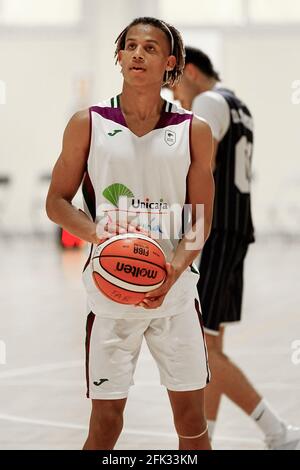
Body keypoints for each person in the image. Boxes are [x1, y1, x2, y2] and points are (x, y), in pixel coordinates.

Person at [46, 19, 215, 450]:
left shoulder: (194, 131)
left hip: (174, 297)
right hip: (110, 293)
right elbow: (57, 203)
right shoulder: (88, 123)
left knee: (192, 421)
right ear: (119, 57)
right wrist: (98, 233)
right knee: (105, 425)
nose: (138, 54)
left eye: (151, 48)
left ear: (170, 63)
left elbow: (201, 220)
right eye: (130, 47)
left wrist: (172, 273)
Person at [171, 46, 300, 450]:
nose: (175, 98)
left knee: (203, 349)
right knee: (210, 346)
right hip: (235, 230)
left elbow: (198, 162)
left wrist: (181, 229)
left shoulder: (208, 102)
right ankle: (205, 437)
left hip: (215, 231)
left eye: (174, 88)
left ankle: (276, 431)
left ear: (189, 72)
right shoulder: (238, 104)